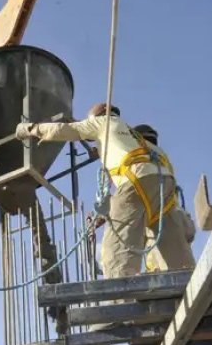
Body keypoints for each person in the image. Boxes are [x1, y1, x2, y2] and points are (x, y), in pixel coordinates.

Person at [16, 104, 196, 279]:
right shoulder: (135, 137)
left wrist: (31, 129)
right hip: (165, 186)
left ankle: (122, 296)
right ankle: (189, 285)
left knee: (116, 251)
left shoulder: (103, 122)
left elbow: (66, 130)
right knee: (174, 247)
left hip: (135, 180)